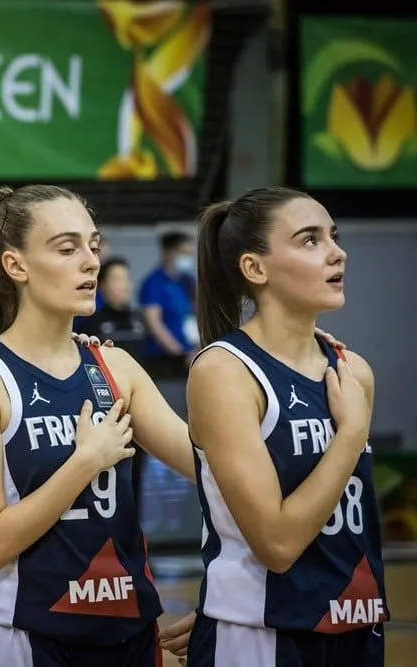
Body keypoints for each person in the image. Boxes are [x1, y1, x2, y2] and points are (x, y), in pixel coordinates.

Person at [0, 185, 203, 667]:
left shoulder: (115, 366)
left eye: (94, 245)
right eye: (67, 248)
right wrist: (84, 462)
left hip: (132, 634)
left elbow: (214, 469)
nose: (90, 262)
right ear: (15, 265)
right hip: (31, 639)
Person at [185, 187, 386, 666]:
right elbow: (276, 543)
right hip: (261, 633)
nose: (338, 252)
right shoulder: (224, 370)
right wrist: (351, 435)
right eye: (310, 240)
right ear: (255, 268)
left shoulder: (353, 369)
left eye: (333, 236)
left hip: (357, 622)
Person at [139, 231, 198, 377]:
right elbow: (154, 323)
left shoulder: (187, 281)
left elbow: (197, 313)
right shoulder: (154, 282)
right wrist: (179, 352)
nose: (188, 258)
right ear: (169, 252)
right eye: (183, 253)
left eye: (190, 254)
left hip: (191, 355)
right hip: (164, 360)